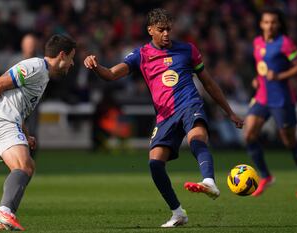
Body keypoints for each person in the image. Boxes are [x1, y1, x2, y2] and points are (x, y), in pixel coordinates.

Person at [84, 8, 243, 228]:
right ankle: (178, 213)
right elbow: (111, 74)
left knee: (197, 136)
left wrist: (230, 112)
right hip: (165, 115)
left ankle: (209, 181)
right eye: (161, 30)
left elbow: (209, 83)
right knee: (155, 164)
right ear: (151, 30)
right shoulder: (141, 55)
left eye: (169, 29)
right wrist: (95, 66)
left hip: (189, 104)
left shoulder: (187, 50)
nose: (167, 34)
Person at [0, 34, 76, 231]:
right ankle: (4, 210)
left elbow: (18, 105)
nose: (72, 63)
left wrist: (26, 133)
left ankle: (6, 214)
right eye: (71, 57)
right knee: (24, 167)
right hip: (0, 120)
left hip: (5, 122)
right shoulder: (35, 67)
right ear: (61, 55)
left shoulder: (43, 75)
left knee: (27, 166)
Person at [244, 8, 297, 198]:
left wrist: (280, 75)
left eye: (273, 22)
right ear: (261, 24)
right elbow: (262, 68)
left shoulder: (285, 43)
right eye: (266, 22)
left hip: (281, 98)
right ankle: (266, 176)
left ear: (279, 24)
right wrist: (257, 79)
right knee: (249, 134)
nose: (270, 25)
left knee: (288, 141)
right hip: (262, 97)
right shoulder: (257, 42)